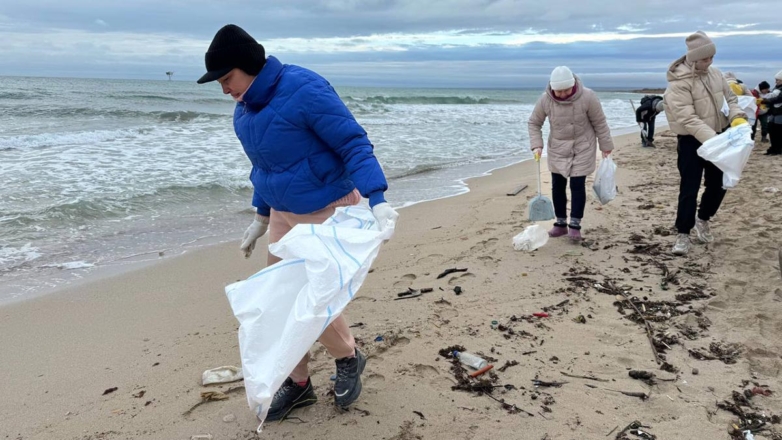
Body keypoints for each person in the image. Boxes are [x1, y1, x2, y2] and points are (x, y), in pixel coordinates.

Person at [197, 24, 399, 421]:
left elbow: (352, 143)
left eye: (227, 78)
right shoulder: (244, 113)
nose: (224, 89)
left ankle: (348, 358)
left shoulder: (304, 88)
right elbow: (266, 168)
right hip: (282, 215)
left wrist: (377, 197)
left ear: (248, 65)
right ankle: (299, 383)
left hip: (326, 209)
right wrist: (260, 217)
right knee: (280, 301)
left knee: (311, 299)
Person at [663, 31, 748, 256]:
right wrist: (715, 139)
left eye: (711, 57)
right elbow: (687, 118)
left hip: (720, 136)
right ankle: (683, 233)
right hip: (692, 141)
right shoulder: (679, 82)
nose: (709, 62)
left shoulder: (716, 74)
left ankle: (703, 219)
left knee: (719, 184)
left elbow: (730, 99)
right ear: (692, 57)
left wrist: (737, 117)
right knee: (689, 188)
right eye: (704, 58)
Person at [528, 66, 615, 242]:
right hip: (558, 148)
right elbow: (534, 123)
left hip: (583, 146)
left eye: (565, 90)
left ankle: (575, 224)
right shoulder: (545, 100)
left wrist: (606, 146)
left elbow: (600, 123)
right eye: (557, 91)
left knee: (577, 185)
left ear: (573, 84)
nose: (561, 94)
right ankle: (560, 224)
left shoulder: (588, 97)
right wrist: (537, 145)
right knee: (557, 185)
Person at [761, 71, 782, 155]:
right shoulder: (776, 88)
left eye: (778, 80)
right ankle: (773, 148)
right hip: (773, 112)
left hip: (780, 113)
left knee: (778, 131)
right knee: (772, 130)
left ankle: (778, 149)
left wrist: (766, 101)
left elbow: (778, 99)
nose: (776, 82)